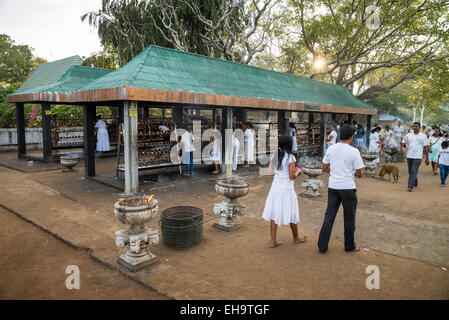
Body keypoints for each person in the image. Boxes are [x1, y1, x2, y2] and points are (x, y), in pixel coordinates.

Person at [318, 124, 364, 253]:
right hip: (348, 187)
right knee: (349, 217)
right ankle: (349, 246)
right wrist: (352, 173)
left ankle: (322, 246)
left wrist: (335, 172)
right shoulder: (354, 151)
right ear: (351, 137)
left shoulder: (331, 149)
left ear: (339, 135)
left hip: (333, 186)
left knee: (329, 215)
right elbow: (359, 173)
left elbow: (324, 168)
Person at [262, 135, 307, 248]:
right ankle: (296, 238)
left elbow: (270, 172)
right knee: (292, 212)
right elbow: (291, 176)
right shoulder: (291, 158)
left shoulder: (274, 155)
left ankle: (273, 241)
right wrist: (298, 172)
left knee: (274, 212)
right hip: (287, 188)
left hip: (276, 187)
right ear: (290, 145)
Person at [402, 122, 430, 192]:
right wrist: (404, 144)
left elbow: (425, 148)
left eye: (416, 126)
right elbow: (404, 143)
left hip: (418, 156)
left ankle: (410, 186)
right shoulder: (408, 135)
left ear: (419, 127)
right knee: (410, 171)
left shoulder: (423, 136)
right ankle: (415, 182)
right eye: (413, 126)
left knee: (414, 171)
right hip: (409, 156)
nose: (414, 127)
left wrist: (427, 159)